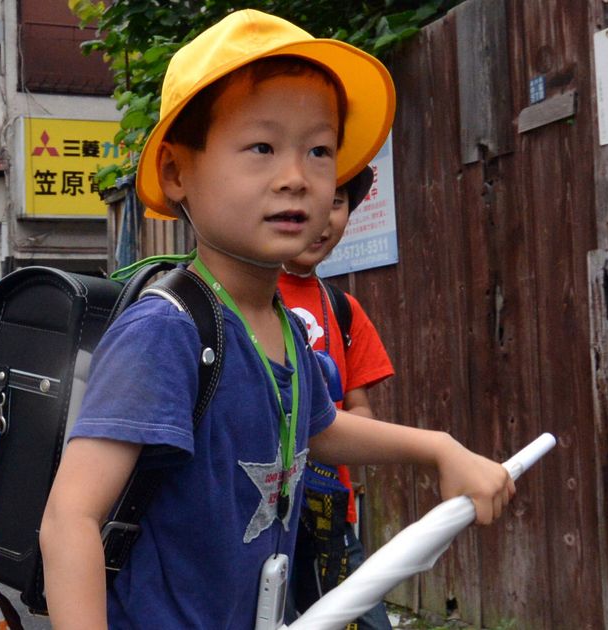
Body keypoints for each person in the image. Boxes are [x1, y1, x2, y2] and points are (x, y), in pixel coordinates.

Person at [39, 10, 514, 629]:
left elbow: (317, 426)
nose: (296, 178)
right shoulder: (169, 330)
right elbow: (68, 519)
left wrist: (439, 449)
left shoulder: (284, 324)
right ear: (178, 172)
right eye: (262, 147)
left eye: (319, 151)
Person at [278, 166, 395, 625]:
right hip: (256, 524)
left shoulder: (344, 309)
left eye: (337, 203)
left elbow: (359, 406)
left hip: (330, 518)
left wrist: (341, 425)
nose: (322, 219)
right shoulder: (233, 297)